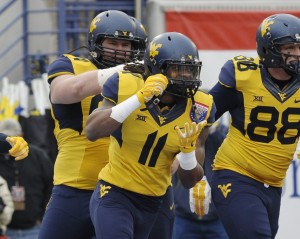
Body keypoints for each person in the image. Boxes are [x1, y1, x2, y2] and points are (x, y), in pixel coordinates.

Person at [85, 31, 216, 239]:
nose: (186, 77)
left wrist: (188, 154)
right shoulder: (127, 84)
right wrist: (137, 99)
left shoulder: (200, 107)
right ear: (157, 69)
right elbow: (92, 131)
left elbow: (189, 180)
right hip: (116, 193)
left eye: (190, 71)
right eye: (177, 70)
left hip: (158, 199)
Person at [38, 10, 145, 239]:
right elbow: (65, 92)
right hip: (75, 186)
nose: (120, 50)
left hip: (124, 190)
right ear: (96, 42)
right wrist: (120, 72)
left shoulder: (143, 80)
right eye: (113, 42)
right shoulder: (70, 64)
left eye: (126, 45)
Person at [208, 13, 300, 239]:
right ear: (269, 50)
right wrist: (193, 169)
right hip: (236, 174)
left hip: (274, 185)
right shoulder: (243, 75)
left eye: (299, 47)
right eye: (290, 47)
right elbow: (201, 118)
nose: (297, 54)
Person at [172, 121, 229, 239]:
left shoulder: (221, 131)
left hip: (217, 217)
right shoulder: (183, 131)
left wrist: (213, 129)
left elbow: (230, 147)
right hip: (184, 215)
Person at [0, 118, 53, 239]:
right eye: (6, 140)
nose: (9, 145)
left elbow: (52, 184)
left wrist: (43, 216)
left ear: (21, 135)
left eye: (13, 138)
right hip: (5, 229)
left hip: (34, 227)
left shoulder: (38, 156)